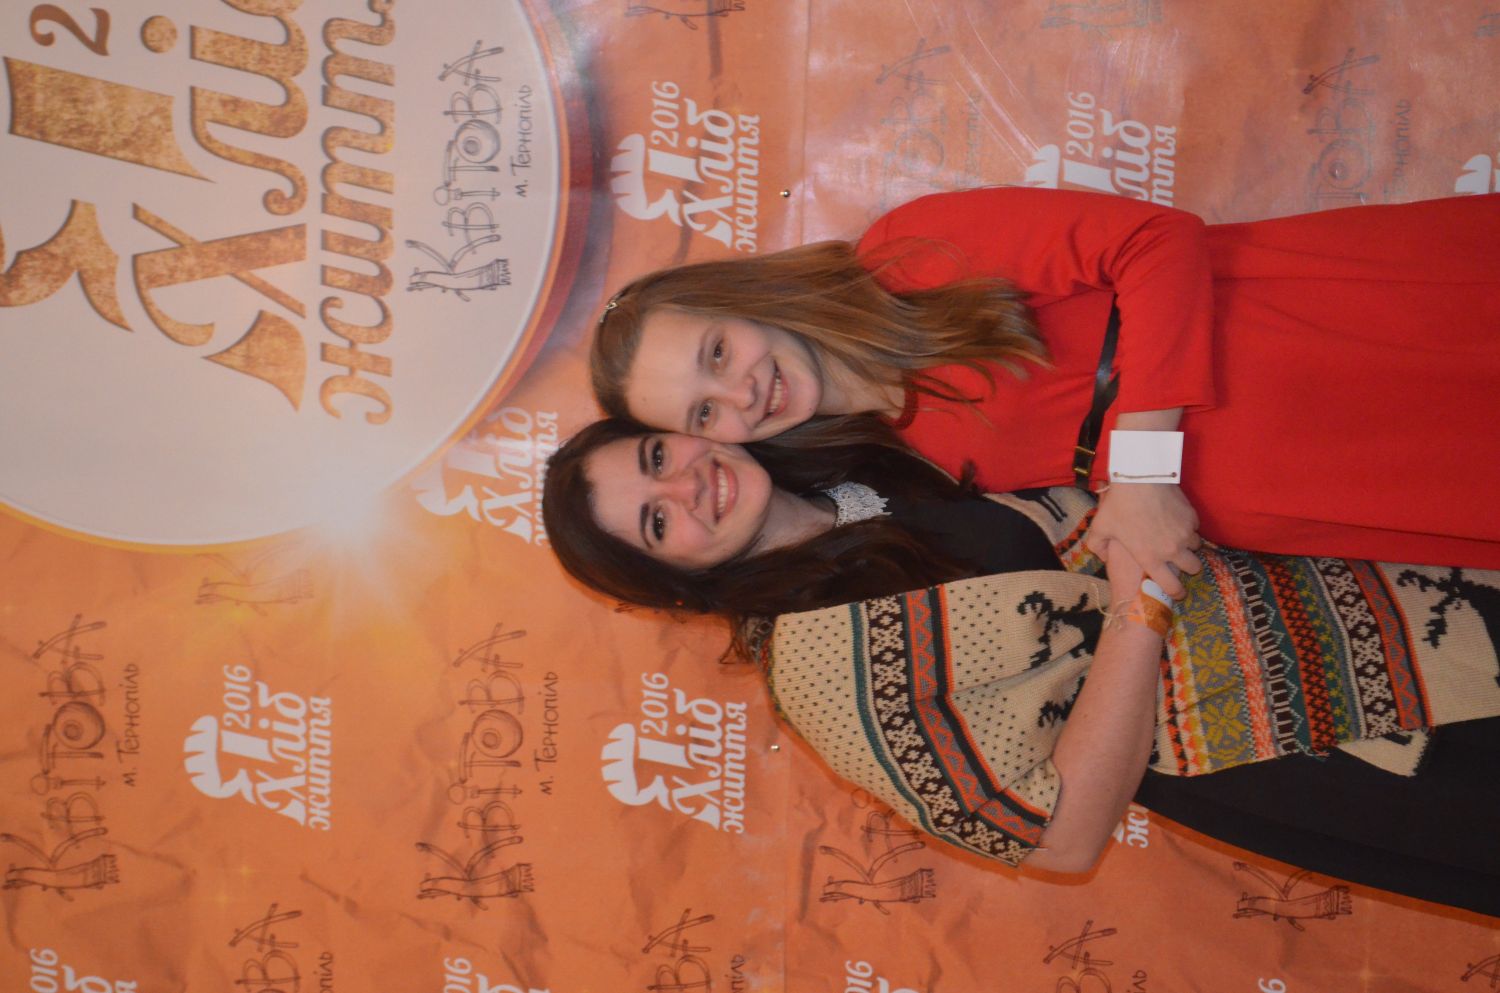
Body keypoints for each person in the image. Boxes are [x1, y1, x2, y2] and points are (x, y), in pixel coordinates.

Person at [542, 418, 1500, 915]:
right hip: (1334, 733)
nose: (686, 485)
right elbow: (1059, 837)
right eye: (657, 520)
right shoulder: (819, 668)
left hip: (1369, 587)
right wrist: (1143, 601)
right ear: (671, 580)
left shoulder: (864, 463)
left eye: (657, 454)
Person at [590, 187, 1500, 600]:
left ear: (744, 296)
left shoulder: (907, 255)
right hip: (1296, 486)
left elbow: (1157, 240)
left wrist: (1140, 473)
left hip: (1314, 336)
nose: (741, 392)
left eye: (717, 351)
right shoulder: (884, 459)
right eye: (704, 413)